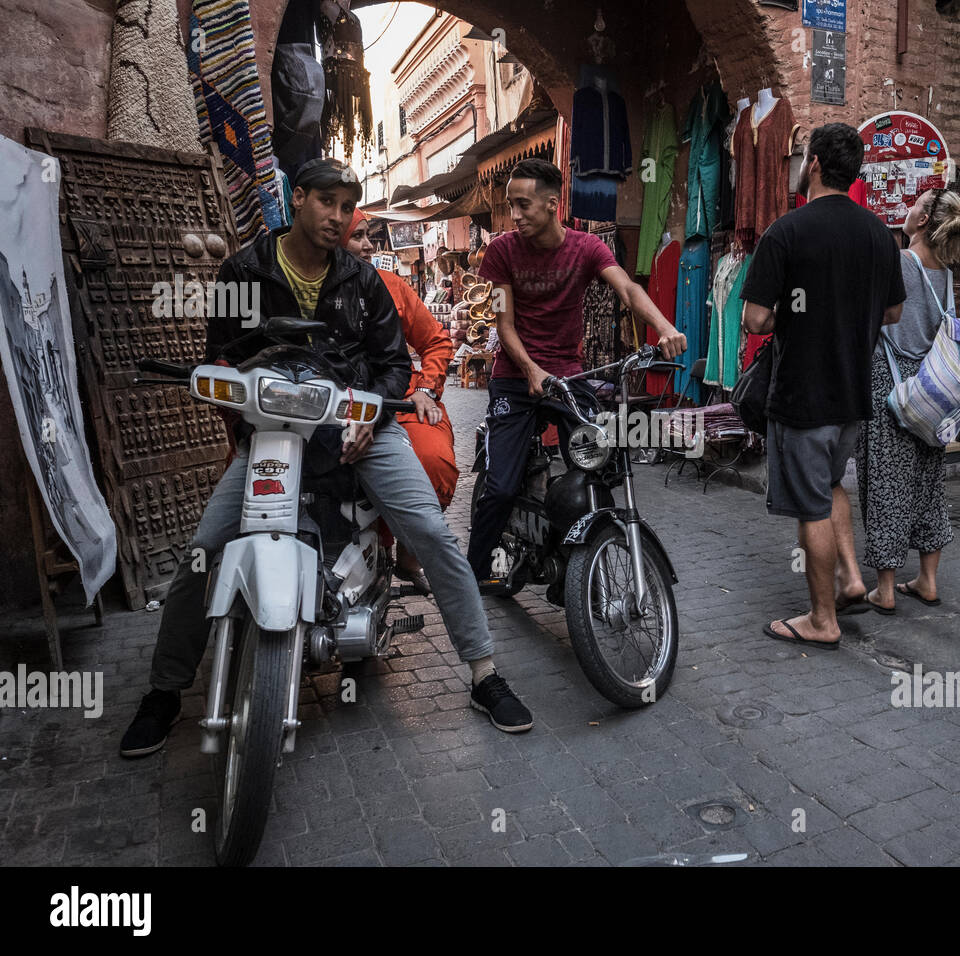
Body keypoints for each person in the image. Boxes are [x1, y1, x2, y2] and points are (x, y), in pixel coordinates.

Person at [120, 158, 532, 757]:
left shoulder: (362, 281)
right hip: (274, 428)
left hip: (357, 424)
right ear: (299, 199)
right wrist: (241, 421)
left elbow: (394, 363)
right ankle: (164, 691)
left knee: (431, 533)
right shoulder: (245, 270)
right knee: (204, 550)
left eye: (347, 207)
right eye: (327, 203)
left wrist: (372, 416)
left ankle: (483, 672)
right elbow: (222, 356)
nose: (337, 218)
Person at [465, 158, 687, 590]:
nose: (515, 215)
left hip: (568, 379)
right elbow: (503, 324)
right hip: (515, 377)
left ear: (553, 204)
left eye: (523, 205)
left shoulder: (586, 248)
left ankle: (576, 558)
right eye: (511, 205)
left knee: (596, 465)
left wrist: (663, 326)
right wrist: (530, 369)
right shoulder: (501, 251)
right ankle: (472, 577)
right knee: (502, 485)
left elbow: (627, 288)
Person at [741, 123, 905, 649]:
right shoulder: (880, 234)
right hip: (854, 393)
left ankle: (822, 619)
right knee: (831, 485)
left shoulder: (786, 232)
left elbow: (757, 320)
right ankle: (852, 578)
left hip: (802, 394)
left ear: (813, 164)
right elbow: (895, 311)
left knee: (811, 505)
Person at [856, 188, 960, 612]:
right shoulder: (945, 271)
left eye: (916, 203)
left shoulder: (901, 263)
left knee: (886, 485)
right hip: (932, 393)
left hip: (890, 386)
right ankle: (927, 579)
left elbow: (871, 317)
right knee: (928, 484)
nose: (908, 208)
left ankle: (886, 589)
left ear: (924, 220)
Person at [342, 208, 459, 593]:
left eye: (368, 236)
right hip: (332, 405)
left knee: (432, 460)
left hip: (398, 402)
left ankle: (410, 550)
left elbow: (436, 340)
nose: (367, 246)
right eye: (357, 236)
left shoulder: (390, 284)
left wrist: (426, 389)